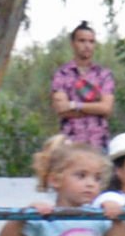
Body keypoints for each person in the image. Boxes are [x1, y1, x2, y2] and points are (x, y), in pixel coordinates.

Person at [48, 21, 118, 149]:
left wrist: (73, 105)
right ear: (73, 43)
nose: (87, 46)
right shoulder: (62, 74)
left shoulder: (103, 74)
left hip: (99, 143)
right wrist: (95, 109)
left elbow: (106, 108)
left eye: (91, 41)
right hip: (71, 144)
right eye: (82, 41)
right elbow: (61, 109)